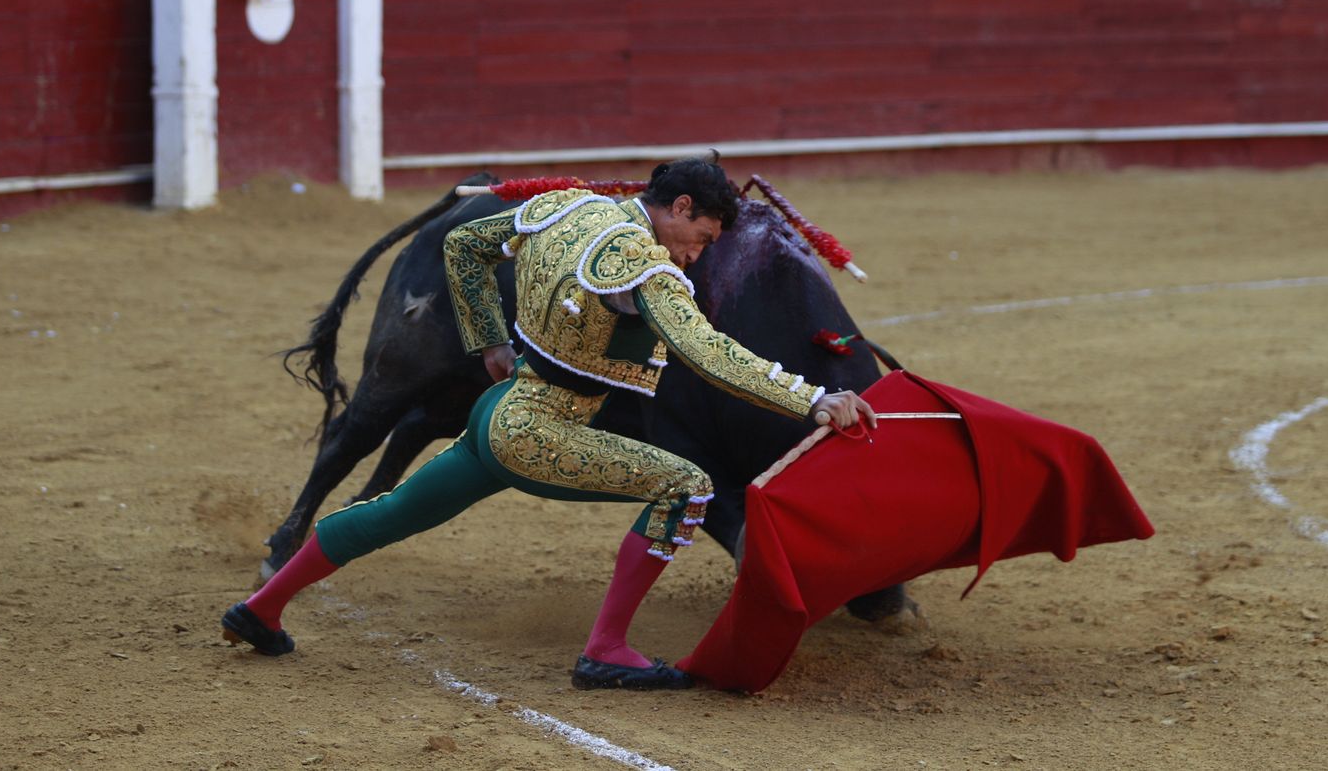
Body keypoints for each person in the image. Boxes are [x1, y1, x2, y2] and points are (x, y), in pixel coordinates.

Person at [219, 156, 877, 690]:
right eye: (701, 238)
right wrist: (812, 398)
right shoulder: (643, 266)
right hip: (539, 432)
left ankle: (262, 608)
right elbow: (707, 351)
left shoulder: (568, 206)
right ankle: (607, 649)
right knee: (689, 485)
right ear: (681, 209)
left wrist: (490, 342)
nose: (697, 257)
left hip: (498, 412)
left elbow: (464, 243)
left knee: (390, 513)